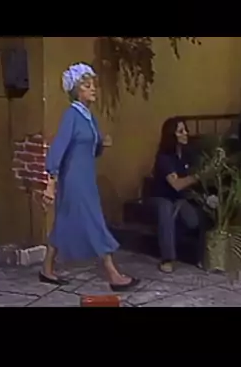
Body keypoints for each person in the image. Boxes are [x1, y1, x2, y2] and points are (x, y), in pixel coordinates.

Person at [41, 64, 139, 292]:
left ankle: (46, 268)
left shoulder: (90, 118)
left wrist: (103, 144)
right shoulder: (71, 116)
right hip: (74, 180)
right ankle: (113, 274)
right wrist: (51, 184)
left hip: (87, 178)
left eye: (93, 84)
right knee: (94, 221)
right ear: (77, 90)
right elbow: (58, 148)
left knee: (63, 222)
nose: (93, 88)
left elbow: (90, 150)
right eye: (87, 85)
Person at [150, 119, 207, 274]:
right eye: (181, 131)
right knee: (166, 209)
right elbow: (176, 184)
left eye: (185, 130)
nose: (186, 133)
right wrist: (198, 176)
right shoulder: (164, 157)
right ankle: (168, 259)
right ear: (172, 135)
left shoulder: (188, 154)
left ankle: (202, 256)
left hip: (181, 199)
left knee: (195, 218)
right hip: (162, 197)